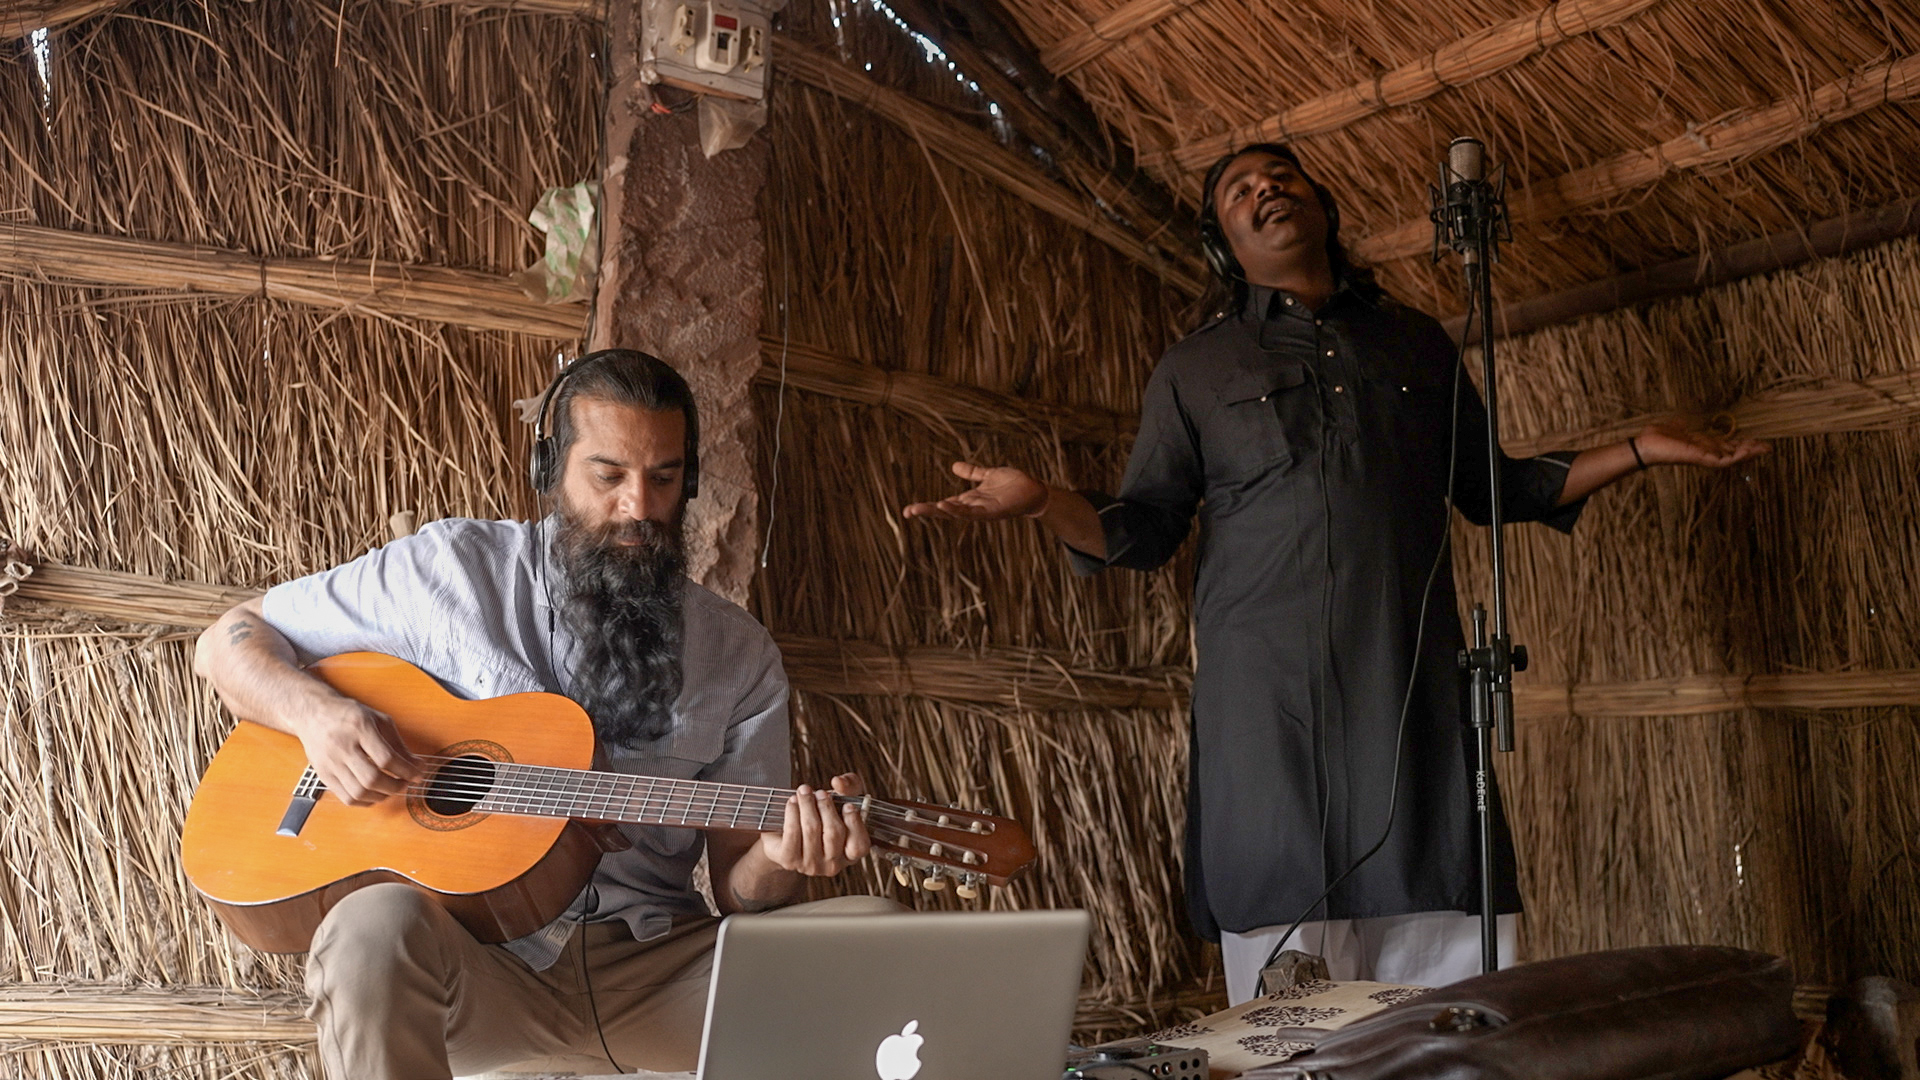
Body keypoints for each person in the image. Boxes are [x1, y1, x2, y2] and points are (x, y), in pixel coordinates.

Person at [903, 145, 1766, 1003]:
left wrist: (1644, 448)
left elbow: (1495, 489)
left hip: (1410, 700)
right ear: (1223, 240)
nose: (1266, 189)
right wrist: (1043, 500)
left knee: (1450, 1000)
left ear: (1322, 204)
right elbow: (1145, 527)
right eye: (1240, 190)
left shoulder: (1417, 346)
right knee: (1292, 1016)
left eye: (1282, 176)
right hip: (1267, 719)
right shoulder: (1196, 370)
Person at [195, 349, 897, 1079]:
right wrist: (319, 716)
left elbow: (738, 893)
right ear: (549, 470)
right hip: (484, 971)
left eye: (663, 478)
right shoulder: (447, 573)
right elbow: (227, 643)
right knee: (368, 927)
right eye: (609, 476)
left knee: (877, 939)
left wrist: (783, 858)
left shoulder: (740, 656)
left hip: (656, 969)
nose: (638, 508)